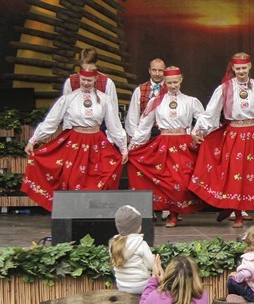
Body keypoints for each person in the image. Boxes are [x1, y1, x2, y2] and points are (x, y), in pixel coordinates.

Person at [189, 52, 254, 228]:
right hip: (233, 134)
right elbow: (211, 112)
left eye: (244, 68)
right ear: (233, 68)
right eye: (238, 68)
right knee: (236, 175)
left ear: (250, 66)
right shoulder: (224, 88)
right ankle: (237, 214)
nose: (241, 71)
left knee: (252, 174)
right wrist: (198, 130)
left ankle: (238, 207)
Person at [22, 65, 128, 211]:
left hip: (97, 142)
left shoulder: (104, 99)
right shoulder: (68, 99)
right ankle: (72, 214)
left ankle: (94, 214)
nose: (86, 83)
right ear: (79, 77)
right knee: (72, 178)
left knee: (100, 177)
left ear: (96, 79)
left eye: (89, 80)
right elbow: (52, 121)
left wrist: (123, 147)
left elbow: (113, 125)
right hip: (75, 142)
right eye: (83, 79)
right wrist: (33, 140)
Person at [127, 66, 205, 227]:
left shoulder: (190, 101)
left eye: (175, 82)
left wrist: (196, 133)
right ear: (164, 82)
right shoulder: (156, 102)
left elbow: (204, 119)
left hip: (184, 144)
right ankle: (172, 215)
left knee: (182, 180)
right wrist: (133, 146)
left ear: (181, 80)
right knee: (167, 180)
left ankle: (176, 212)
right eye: (169, 82)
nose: (173, 85)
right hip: (164, 144)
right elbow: (144, 125)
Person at [109, 205, 154, 294]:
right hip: (141, 286)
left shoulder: (113, 243)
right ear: (138, 227)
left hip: (121, 285)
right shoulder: (141, 244)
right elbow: (151, 264)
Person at [125, 58, 167, 139]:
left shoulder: (170, 89)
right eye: (154, 70)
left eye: (160, 70)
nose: (157, 73)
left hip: (164, 133)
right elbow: (133, 115)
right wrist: (135, 136)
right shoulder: (140, 90)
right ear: (149, 71)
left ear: (164, 71)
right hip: (144, 134)